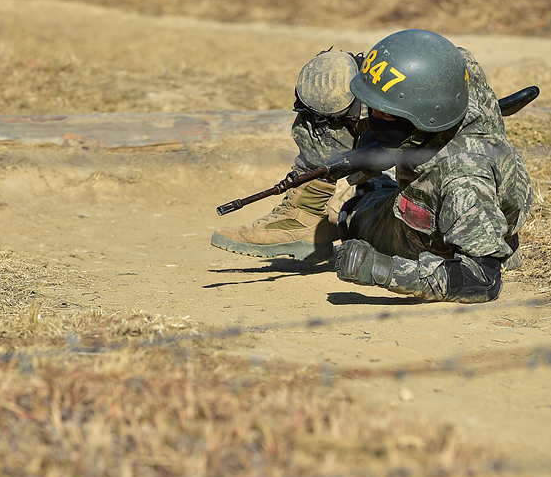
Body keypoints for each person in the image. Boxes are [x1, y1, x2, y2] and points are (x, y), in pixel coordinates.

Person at [212, 29, 533, 303]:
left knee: (353, 218)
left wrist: (381, 269)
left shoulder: (464, 184)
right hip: (428, 177)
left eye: (386, 114)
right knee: (334, 90)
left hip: (436, 230)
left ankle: (339, 212)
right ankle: (306, 211)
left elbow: (483, 280)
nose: (371, 118)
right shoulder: (450, 72)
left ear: (424, 117)